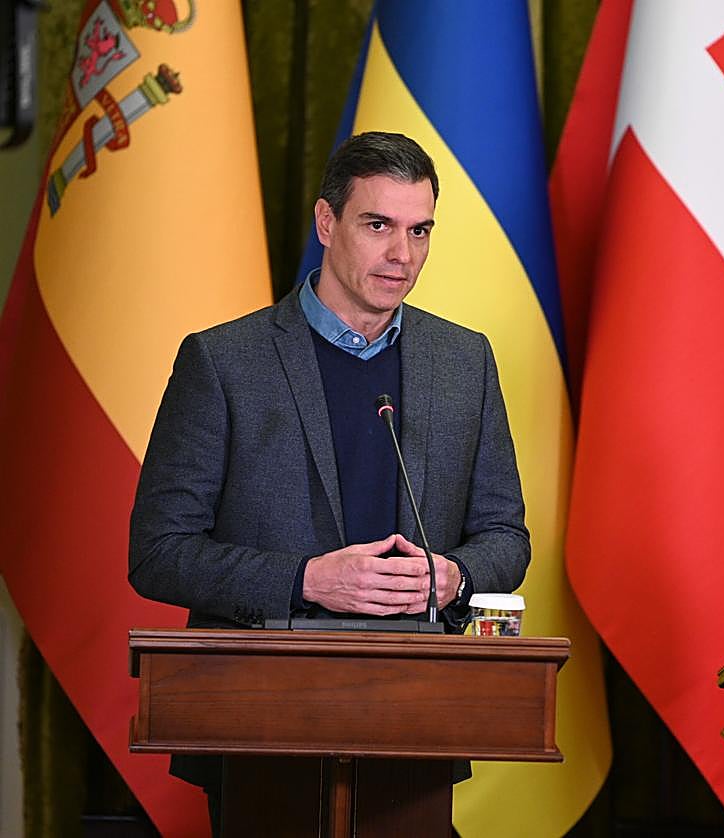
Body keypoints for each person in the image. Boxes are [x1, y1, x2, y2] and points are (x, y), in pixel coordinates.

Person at [128, 132, 529, 820]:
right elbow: (158, 553)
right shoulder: (223, 361)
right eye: (378, 225)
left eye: (420, 230)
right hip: (256, 718)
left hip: (420, 716)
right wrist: (307, 580)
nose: (402, 254)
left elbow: (506, 538)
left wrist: (453, 577)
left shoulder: (465, 361)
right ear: (326, 222)